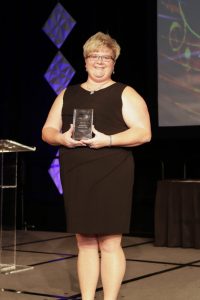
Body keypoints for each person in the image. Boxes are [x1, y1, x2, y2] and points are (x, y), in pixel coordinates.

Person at [42, 31, 151, 300]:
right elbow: (47, 131)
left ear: (114, 63)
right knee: (85, 242)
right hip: (77, 172)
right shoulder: (68, 93)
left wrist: (108, 139)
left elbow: (143, 133)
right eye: (95, 56)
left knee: (111, 242)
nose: (100, 61)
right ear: (85, 60)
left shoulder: (126, 93)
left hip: (113, 171)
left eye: (106, 57)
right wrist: (62, 138)